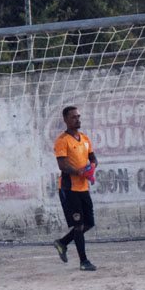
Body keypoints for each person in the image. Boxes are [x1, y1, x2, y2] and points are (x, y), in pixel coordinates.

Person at [52, 106, 98, 271]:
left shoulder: (85, 139)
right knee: (78, 225)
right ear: (65, 120)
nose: (77, 119)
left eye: (78, 116)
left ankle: (62, 243)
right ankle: (83, 262)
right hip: (69, 189)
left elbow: (93, 158)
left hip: (83, 188)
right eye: (73, 117)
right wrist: (79, 171)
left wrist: (91, 167)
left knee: (89, 223)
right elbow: (62, 164)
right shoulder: (62, 140)